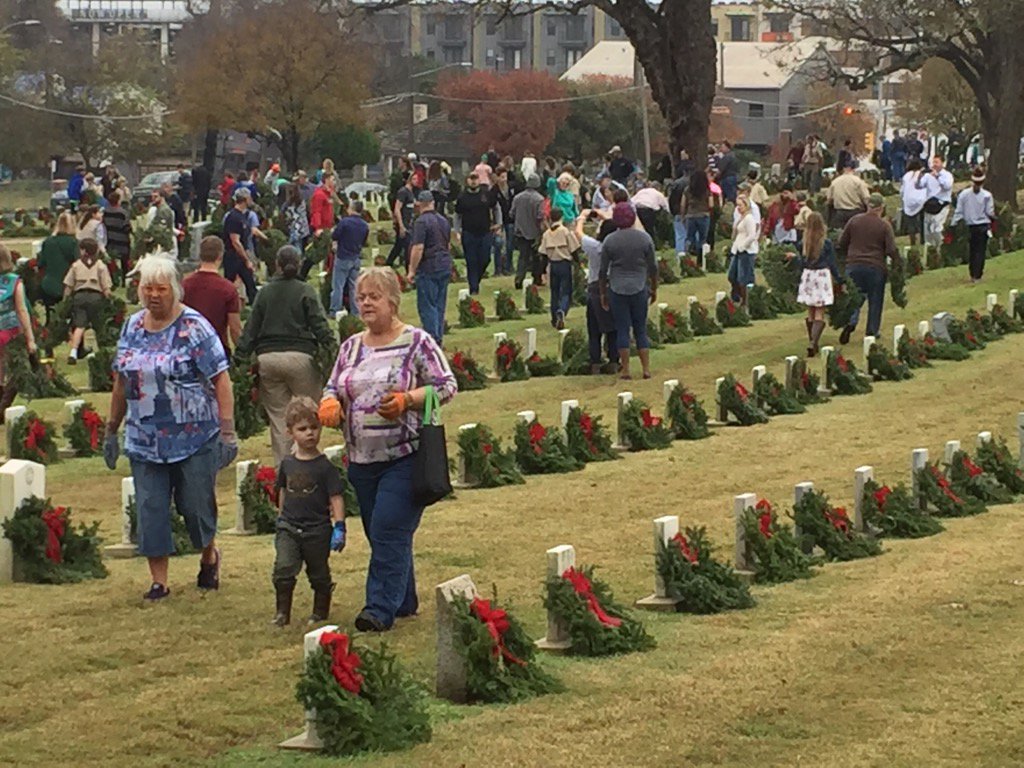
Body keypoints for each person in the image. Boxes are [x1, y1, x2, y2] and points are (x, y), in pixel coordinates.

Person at [317, 267, 457, 632]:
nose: (365, 303)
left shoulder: (416, 342)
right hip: (361, 458)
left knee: (387, 529)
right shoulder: (351, 347)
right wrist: (330, 402)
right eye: (361, 296)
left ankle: (378, 609)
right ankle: (404, 599)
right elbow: (333, 385)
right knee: (383, 533)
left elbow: (446, 386)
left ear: (392, 301)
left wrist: (408, 400)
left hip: (405, 456)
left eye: (373, 296)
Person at [104, 257, 236, 602]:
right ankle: (159, 581)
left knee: (195, 507)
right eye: (147, 288)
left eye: (161, 288)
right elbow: (121, 379)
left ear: (175, 289)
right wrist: (111, 428)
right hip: (144, 437)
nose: (154, 295)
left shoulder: (195, 327)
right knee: (151, 508)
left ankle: (208, 554)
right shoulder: (132, 327)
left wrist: (227, 430)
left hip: (193, 436)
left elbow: (221, 378)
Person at [235, 246, 334, 464]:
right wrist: (332, 351)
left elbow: (250, 329)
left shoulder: (265, 292)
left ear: (277, 265)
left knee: (280, 420)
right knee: (308, 414)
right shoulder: (306, 290)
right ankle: (308, 464)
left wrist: (240, 359)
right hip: (301, 358)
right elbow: (319, 325)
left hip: (268, 359)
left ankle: (285, 471)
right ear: (298, 264)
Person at [271, 396, 347, 627]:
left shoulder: (326, 467)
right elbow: (282, 490)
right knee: (284, 568)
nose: (310, 433)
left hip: (318, 530)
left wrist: (340, 526)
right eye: (302, 429)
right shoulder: (287, 464)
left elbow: (336, 497)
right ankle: (282, 613)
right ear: (290, 433)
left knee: (318, 572)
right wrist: (281, 519)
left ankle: (320, 611)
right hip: (289, 527)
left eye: (314, 427)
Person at [599, 203, 657, 380]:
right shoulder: (645, 238)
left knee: (622, 329)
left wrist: (603, 293)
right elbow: (653, 267)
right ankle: (646, 369)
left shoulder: (609, 240)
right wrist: (654, 287)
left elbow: (603, 271)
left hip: (617, 288)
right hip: (639, 286)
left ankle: (626, 370)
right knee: (640, 329)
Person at [837, 194, 897, 343]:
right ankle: (871, 331)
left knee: (854, 298)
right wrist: (898, 263)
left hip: (853, 265)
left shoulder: (854, 220)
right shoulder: (884, 225)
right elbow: (890, 249)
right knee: (875, 300)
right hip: (875, 267)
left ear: (868, 206)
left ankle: (851, 322)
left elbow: (842, 242)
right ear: (881, 207)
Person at [182, 236, 242, 353]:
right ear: (220, 256)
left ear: (200, 255)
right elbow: (235, 329)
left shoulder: (184, 285)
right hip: (217, 349)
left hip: (189, 349)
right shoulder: (228, 289)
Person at [407, 191, 452, 345]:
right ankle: (438, 336)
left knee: (427, 306)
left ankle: (432, 339)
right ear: (432, 202)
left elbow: (418, 247)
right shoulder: (443, 220)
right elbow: (448, 244)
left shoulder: (421, 222)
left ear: (419, 204)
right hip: (445, 264)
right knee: (440, 305)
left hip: (429, 266)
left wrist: (411, 270)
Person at [793, 212, 841, 357]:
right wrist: (839, 279)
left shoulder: (803, 243)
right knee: (820, 311)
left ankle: (812, 341)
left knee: (811, 310)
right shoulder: (826, 243)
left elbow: (801, 263)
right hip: (821, 276)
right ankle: (813, 342)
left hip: (808, 275)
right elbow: (832, 263)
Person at [575, 210, 617, 374]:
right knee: (612, 327)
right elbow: (615, 226)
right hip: (612, 285)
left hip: (595, 286)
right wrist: (602, 215)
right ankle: (614, 360)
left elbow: (578, 233)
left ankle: (595, 362)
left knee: (594, 328)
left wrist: (582, 218)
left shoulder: (595, 247)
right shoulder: (616, 247)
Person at [0, 243, 38, 413]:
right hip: (10, 331)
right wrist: (30, 339)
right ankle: (3, 406)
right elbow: (22, 310)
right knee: (16, 370)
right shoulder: (14, 282)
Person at [63, 238, 112, 365]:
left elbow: (68, 285)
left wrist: (65, 301)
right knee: (99, 326)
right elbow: (106, 287)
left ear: (83, 250)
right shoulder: (100, 265)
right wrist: (109, 300)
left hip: (79, 297)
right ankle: (103, 352)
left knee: (79, 326)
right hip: (96, 297)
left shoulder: (76, 265)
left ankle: (73, 353)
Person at [454, 173, 502, 294]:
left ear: (479, 181)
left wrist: (499, 223)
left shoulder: (486, 194)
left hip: (485, 232)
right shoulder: (462, 197)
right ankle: (473, 287)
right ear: (467, 181)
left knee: (485, 259)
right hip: (468, 233)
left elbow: (496, 207)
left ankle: (477, 278)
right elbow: (457, 215)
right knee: (471, 260)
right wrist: (457, 231)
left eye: (475, 179)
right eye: (471, 179)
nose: (473, 182)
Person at [950, 168, 995, 284]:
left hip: (969, 226)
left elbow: (959, 212)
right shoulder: (987, 196)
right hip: (983, 226)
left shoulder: (964, 195)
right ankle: (978, 274)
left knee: (972, 250)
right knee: (980, 251)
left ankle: (972, 274)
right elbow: (990, 213)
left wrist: (953, 224)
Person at [539, 208, 579, 330]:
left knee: (554, 292)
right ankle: (562, 310)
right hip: (564, 263)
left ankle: (554, 317)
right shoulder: (565, 231)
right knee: (566, 291)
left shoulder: (546, 234)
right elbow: (574, 249)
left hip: (553, 264)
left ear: (550, 218)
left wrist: (542, 271)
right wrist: (578, 263)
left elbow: (543, 254)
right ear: (561, 217)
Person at [38, 212, 79, 327]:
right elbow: (77, 263)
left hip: (48, 284)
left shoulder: (48, 241)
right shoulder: (73, 242)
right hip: (67, 285)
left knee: (50, 318)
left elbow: (41, 263)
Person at [330, 200, 370, 314]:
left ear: (351, 209)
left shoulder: (345, 222)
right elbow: (364, 242)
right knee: (354, 287)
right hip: (356, 257)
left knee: (338, 286)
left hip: (343, 256)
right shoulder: (364, 225)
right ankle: (355, 311)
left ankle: (335, 310)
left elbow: (335, 236)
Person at [222, 188, 258, 305]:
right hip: (233, 256)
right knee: (229, 284)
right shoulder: (234, 217)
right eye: (250, 198)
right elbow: (235, 242)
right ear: (245, 199)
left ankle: (254, 307)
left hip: (241, 255)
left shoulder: (243, 216)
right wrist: (246, 259)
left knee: (250, 284)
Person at [511, 174, 546, 289]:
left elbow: (512, 213)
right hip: (534, 233)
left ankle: (519, 279)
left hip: (520, 232)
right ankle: (537, 278)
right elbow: (540, 216)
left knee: (522, 257)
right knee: (537, 257)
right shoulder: (539, 199)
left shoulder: (517, 197)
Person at [916, 155, 954, 249]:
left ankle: (940, 247)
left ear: (942, 163)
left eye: (937, 162)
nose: (934, 165)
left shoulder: (947, 175)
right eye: (933, 162)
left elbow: (947, 186)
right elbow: (920, 185)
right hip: (929, 205)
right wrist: (918, 177)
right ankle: (929, 250)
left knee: (937, 228)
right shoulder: (928, 175)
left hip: (941, 205)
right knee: (927, 230)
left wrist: (937, 176)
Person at [729, 196, 758, 307]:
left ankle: (745, 302)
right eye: (737, 205)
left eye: (740, 205)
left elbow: (752, 235)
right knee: (732, 275)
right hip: (737, 250)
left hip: (746, 251)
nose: (738, 208)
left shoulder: (749, 218)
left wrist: (743, 246)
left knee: (743, 278)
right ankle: (736, 296)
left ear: (746, 206)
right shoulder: (741, 218)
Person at [825, 160, 870, 229]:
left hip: (840, 213)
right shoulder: (858, 181)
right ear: (854, 169)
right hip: (856, 212)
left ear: (843, 169)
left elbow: (829, 200)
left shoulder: (835, 182)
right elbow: (866, 198)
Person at [387, 173, 416, 270]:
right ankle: (409, 271)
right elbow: (397, 208)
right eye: (414, 179)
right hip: (404, 224)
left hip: (410, 223)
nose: (417, 181)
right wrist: (401, 225)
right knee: (408, 249)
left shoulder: (412, 192)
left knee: (398, 246)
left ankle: (388, 263)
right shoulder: (403, 192)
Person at [680, 172, 712, 256]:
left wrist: (683, 216)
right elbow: (711, 204)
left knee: (689, 237)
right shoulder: (707, 189)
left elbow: (683, 204)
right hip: (704, 215)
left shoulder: (687, 189)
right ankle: (701, 258)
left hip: (690, 216)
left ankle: (687, 257)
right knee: (703, 239)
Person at [490, 166, 514, 276]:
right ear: (497, 178)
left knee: (510, 245)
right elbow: (493, 207)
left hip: (510, 220)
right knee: (498, 244)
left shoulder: (511, 188)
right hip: (499, 221)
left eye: (506, 177)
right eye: (502, 177)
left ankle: (509, 266)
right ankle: (498, 269)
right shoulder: (494, 191)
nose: (504, 179)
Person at [103, 191, 132, 281]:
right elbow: (126, 227)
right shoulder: (123, 213)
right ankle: (124, 279)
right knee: (124, 260)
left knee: (111, 260)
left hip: (110, 239)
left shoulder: (105, 212)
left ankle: (113, 279)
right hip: (122, 240)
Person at [899, 158, 927, 246]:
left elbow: (902, 190)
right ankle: (923, 240)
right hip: (921, 200)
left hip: (909, 201)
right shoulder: (923, 175)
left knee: (911, 223)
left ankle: (912, 241)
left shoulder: (906, 176)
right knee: (922, 222)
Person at [632, 182, 670, 246]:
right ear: (659, 188)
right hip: (648, 210)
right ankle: (651, 245)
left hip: (637, 209)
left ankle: (639, 244)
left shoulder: (642, 191)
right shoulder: (658, 193)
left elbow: (632, 200)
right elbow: (665, 206)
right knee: (649, 229)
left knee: (639, 229)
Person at [282, 183, 311, 251]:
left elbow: (284, 216)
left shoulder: (288, 204)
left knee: (295, 248)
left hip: (295, 230)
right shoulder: (302, 202)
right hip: (301, 230)